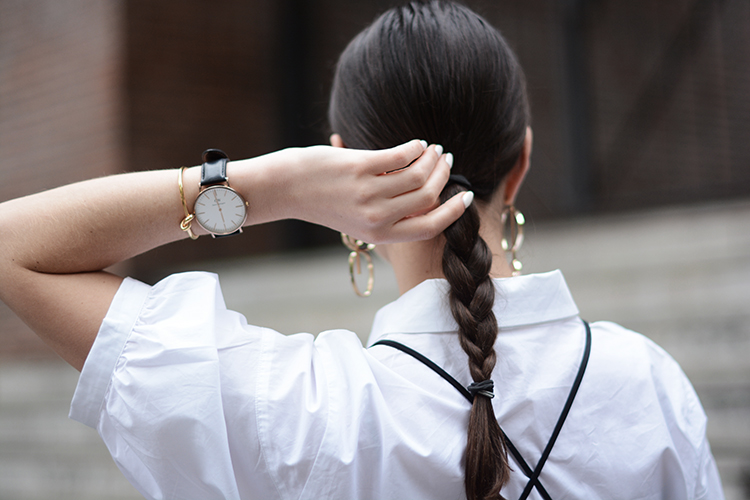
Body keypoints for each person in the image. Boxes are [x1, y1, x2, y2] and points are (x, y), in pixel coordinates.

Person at [0, 1, 723, 499]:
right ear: (522, 162)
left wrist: (263, 185)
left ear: (344, 172)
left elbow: (14, 247)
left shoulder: (295, 410)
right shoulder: (648, 385)